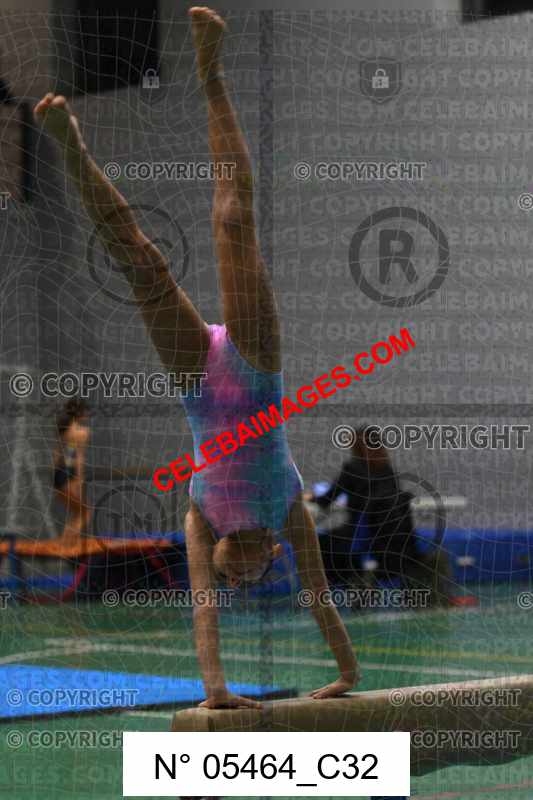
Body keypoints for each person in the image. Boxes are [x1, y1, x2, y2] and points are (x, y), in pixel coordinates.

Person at [33, 6, 360, 709]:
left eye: (228, 575)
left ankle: (73, 152)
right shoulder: (289, 513)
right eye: (247, 575)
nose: (234, 577)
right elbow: (320, 597)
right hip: (255, 365)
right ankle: (212, 74)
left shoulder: (200, 517)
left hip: (198, 384)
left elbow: (202, 609)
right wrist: (348, 674)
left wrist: (214, 688)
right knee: (234, 220)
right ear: (270, 555)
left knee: (140, 264)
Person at [306, 427, 418, 589]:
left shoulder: (352, 469)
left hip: (363, 533)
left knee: (321, 542)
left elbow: (327, 500)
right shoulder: (387, 469)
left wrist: (309, 497)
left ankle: (334, 587)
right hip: (390, 537)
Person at [53, 397, 91, 541]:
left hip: (59, 473)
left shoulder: (63, 429)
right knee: (85, 512)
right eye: (85, 411)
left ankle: (66, 541)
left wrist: (55, 476)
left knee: (78, 511)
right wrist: (79, 479)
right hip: (70, 472)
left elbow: (56, 454)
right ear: (80, 412)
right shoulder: (82, 432)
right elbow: (79, 457)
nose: (87, 414)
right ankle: (67, 543)